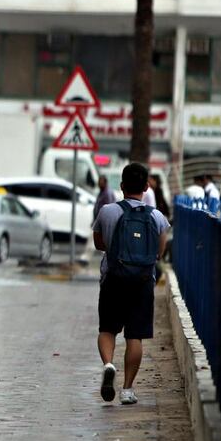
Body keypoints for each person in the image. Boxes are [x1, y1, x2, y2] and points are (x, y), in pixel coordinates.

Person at [92, 163, 170, 405]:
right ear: (146, 187)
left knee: (107, 330)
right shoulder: (157, 217)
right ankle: (127, 389)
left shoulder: (107, 212)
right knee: (134, 336)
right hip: (143, 283)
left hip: (113, 280)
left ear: (122, 186)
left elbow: (98, 243)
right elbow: (160, 252)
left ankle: (108, 365)